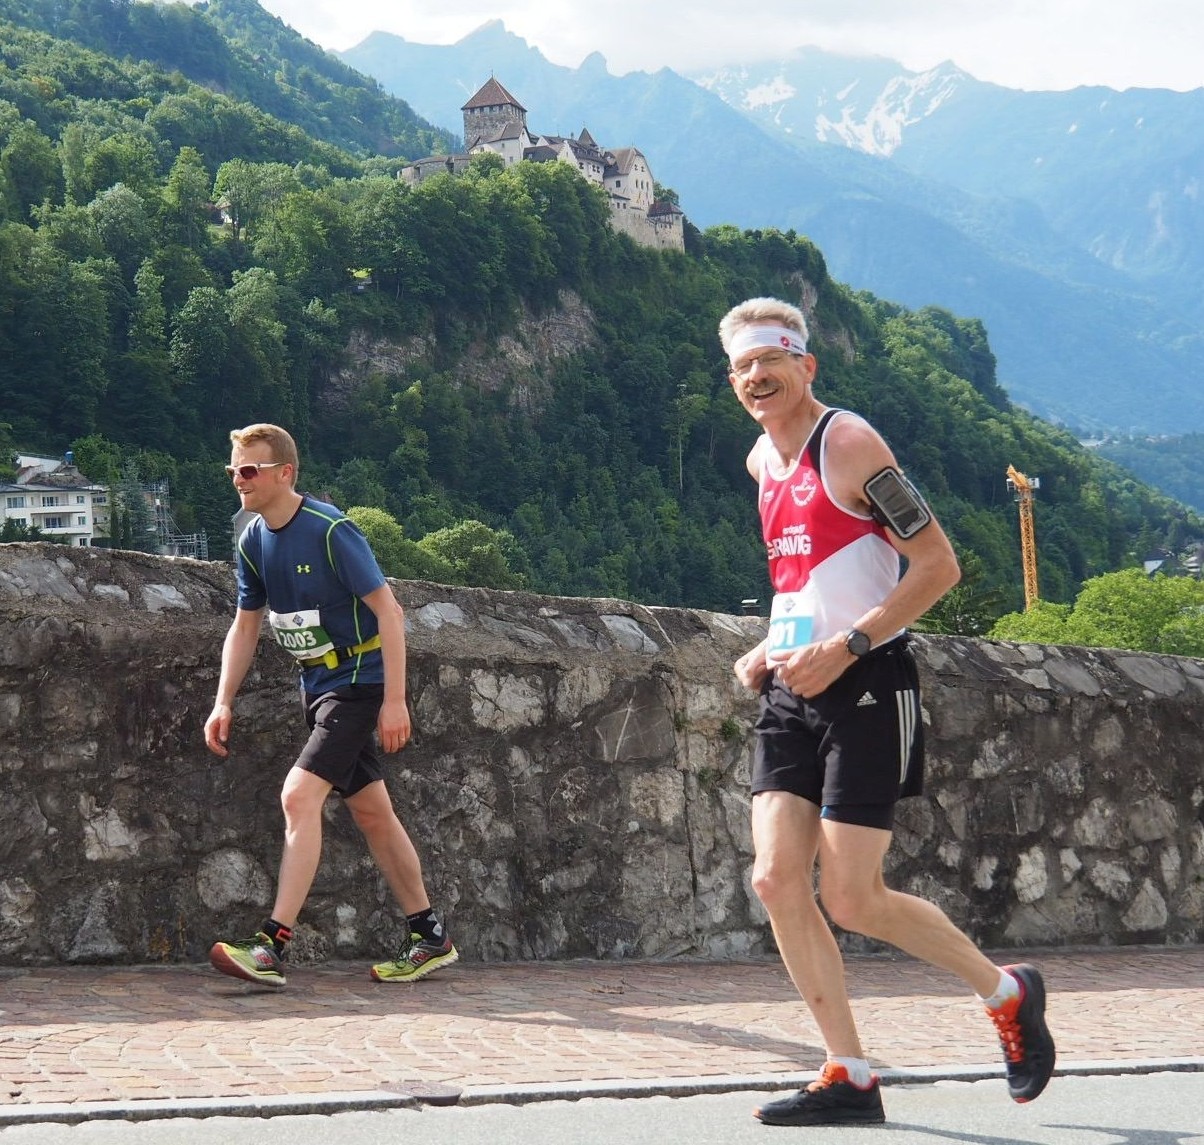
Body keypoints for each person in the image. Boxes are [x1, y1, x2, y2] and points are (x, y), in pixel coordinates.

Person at [719, 298, 1054, 1126]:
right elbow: (802, 573)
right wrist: (773, 642)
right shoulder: (763, 460)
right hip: (793, 688)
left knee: (855, 897)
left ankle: (1007, 993)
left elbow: (937, 566)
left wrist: (849, 646)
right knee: (773, 877)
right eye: (740, 367)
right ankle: (849, 1072)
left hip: (870, 684)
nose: (756, 377)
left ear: (806, 366)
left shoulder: (852, 444)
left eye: (771, 360)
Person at [203, 422, 457, 989]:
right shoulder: (251, 541)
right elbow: (244, 628)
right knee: (371, 812)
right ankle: (430, 935)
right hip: (316, 686)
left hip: (360, 682)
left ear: (284, 473)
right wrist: (222, 702)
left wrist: (394, 700)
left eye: (250, 470)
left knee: (299, 796)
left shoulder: (329, 530)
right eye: (233, 472)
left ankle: (271, 946)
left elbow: (389, 612)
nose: (239, 481)